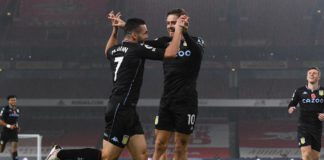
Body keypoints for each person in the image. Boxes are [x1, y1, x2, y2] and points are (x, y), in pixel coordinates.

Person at [45, 11, 187, 160]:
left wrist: (115, 30)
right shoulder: (138, 49)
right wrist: (178, 28)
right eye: (145, 34)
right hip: (121, 109)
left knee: (141, 155)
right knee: (107, 157)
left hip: (127, 109)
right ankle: (59, 154)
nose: (147, 37)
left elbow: (107, 51)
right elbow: (172, 53)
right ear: (134, 36)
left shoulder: (116, 49)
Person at [144, 8, 205, 160]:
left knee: (180, 145)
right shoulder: (164, 42)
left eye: (173, 22)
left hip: (187, 101)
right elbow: (139, 41)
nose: (170, 26)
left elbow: (198, 53)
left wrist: (183, 32)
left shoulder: (197, 41)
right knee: (159, 144)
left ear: (183, 22)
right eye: (168, 23)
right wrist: (126, 26)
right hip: (167, 101)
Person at [288, 67, 324, 160]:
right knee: (306, 153)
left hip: (317, 127)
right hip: (303, 126)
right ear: (307, 77)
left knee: (315, 157)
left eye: (314, 73)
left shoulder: (323, 91)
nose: (311, 74)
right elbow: (292, 103)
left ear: (319, 77)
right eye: (310, 73)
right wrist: (291, 108)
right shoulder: (299, 91)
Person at [0, 95, 20, 160]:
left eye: (14, 100)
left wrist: (17, 126)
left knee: (14, 146)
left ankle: (15, 158)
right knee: (1, 150)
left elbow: (16, 120)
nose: (13, 101)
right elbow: (0, 121)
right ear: (8, 101)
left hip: (13, 131)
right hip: (5, 131)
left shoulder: (17, 109)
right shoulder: (5, 109)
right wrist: (9, 126)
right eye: (12, 100)